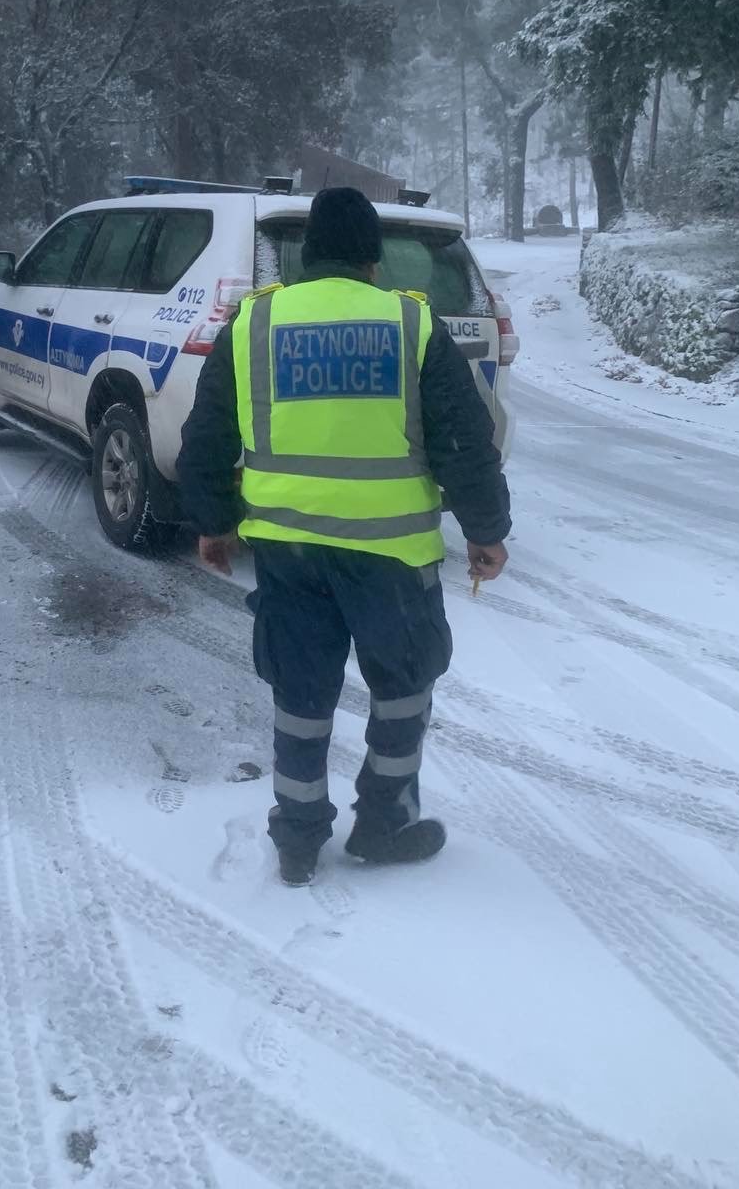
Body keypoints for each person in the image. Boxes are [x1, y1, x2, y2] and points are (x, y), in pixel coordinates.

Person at [177, 186, 511, 886]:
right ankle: (383, 822)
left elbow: (205, 436)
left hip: (289, 556)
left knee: (300, 695)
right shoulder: (410, 324)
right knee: (404, 687)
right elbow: (464, 440)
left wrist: (213, 524)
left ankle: (297, 839)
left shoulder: (254, 325)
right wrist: (486, 532)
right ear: (371, 257)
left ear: (308, 257)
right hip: (394, 557)